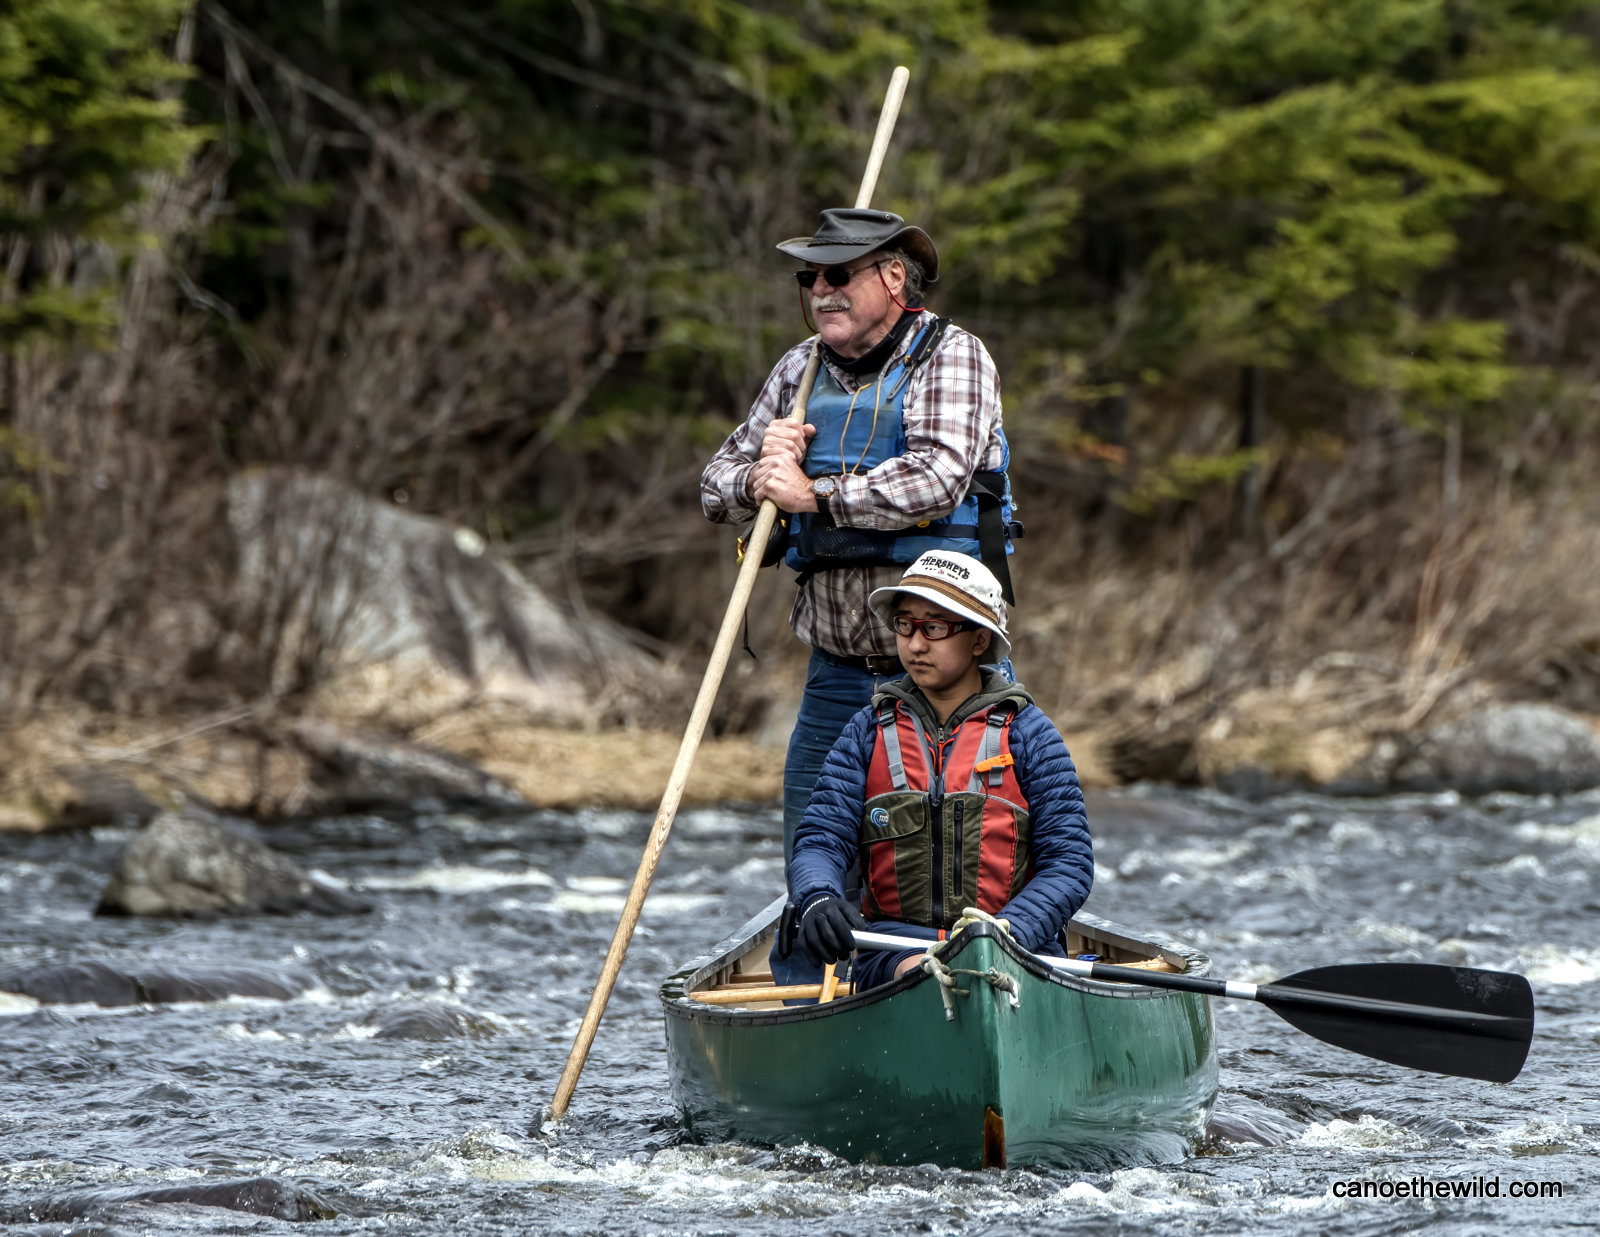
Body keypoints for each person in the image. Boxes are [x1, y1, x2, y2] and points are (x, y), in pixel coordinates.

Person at [700, 207, 1022, 985]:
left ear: (893, 277)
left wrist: (813, 494)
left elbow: (937, 475)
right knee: (815, 866)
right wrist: (761, 474)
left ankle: (978, 988)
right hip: (837, 673)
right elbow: (714, 484)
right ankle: (815, 1003)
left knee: (965, 863)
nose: (820, 289)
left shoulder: (953, 357)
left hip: (952, 679)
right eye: (809, 277)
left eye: (837, 274)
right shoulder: (798, 371)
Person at [786, 552, 1092, 990]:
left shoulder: (1031, 735)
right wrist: (817, 895)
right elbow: (821, 839)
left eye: (933, 628)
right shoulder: (866, 732)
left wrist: (1005, 934)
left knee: (978, 971)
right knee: (926, 975)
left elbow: (1069, 863)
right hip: (895, 951)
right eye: (904, 625)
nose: (914, 645)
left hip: (1014, 944)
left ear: (980, 641)